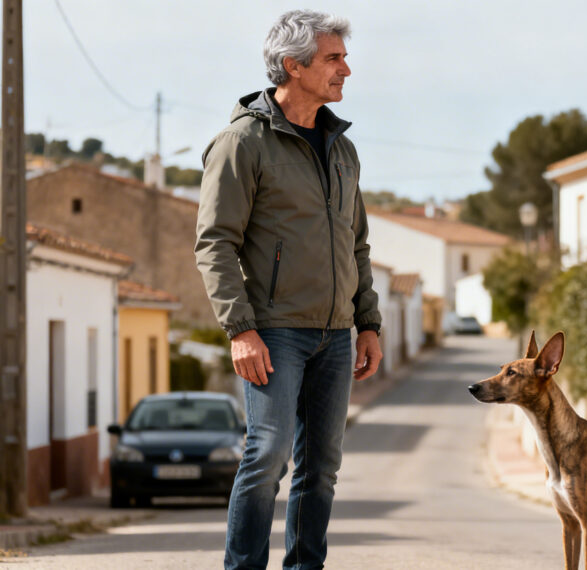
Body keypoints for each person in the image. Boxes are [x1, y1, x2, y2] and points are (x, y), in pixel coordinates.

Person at [194, 10, 382, 570]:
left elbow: (358, 244)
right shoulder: (242, 143)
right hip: (272, 332)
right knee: (268, 454)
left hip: (335, 334)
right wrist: (240, 328)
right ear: (293, 65)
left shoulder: (342, 149)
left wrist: (367, 322)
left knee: (321, 465)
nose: (346, 68)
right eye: (333, 58)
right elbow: (215, 243)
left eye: (343, 57)